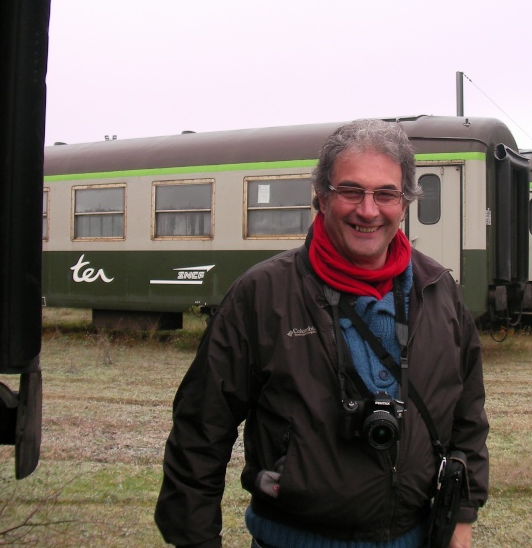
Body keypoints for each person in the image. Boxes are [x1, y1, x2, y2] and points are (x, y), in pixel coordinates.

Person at [154, 119, 489, 548]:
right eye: (350, 191)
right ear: (321, 197)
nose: (368, 210)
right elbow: (200, 432)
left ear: (405, 203)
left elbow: (467, 415)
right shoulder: (263, 295)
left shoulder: (438, 290)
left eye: (386, 193)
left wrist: (462, 513)